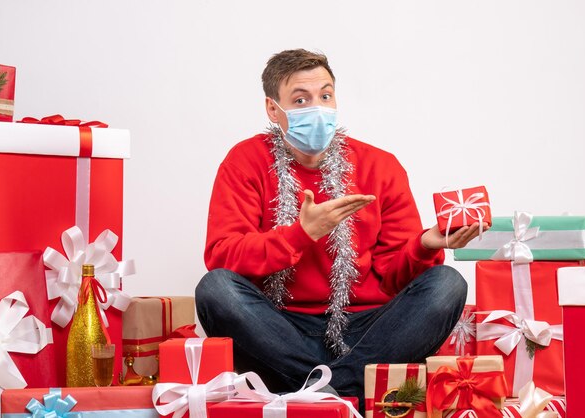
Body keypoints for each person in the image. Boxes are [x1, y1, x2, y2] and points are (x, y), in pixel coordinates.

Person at [196, 49, 482, 407]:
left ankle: (324, 395)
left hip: (368, 331)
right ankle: (348, 391)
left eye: (325, 95)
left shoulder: (381, 166)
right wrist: (301, 235)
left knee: (447, 284)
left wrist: (425, 244)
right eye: (301, 100)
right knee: (216, 290)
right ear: (273, 109)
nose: (318, 107)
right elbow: (223, 255)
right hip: (281, 330)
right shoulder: (245, 161)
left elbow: (395, 278)